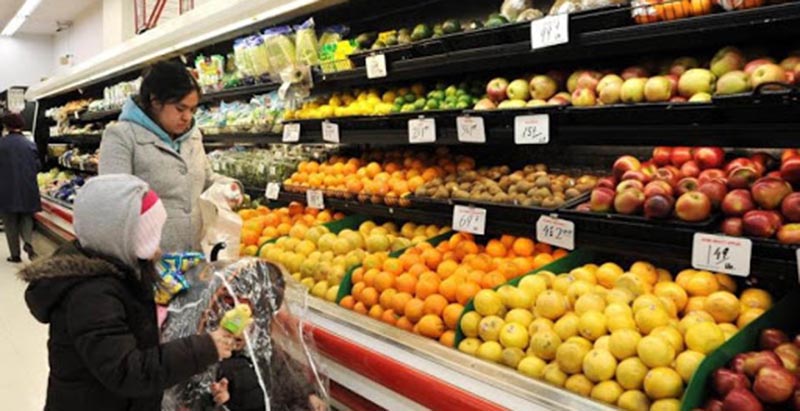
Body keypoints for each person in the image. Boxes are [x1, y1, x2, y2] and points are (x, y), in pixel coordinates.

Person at [18, 174, 237, 411]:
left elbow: (135, 337)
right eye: (151, 234)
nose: (158, 246)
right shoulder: (91, 295)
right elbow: (128, 371)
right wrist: (203, 348)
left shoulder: (118, 269)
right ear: (120, 236)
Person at [99, 60, 235, 253]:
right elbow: (113, 202)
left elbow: (206, 179)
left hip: (196, 254)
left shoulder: (193, 136)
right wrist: (140, 250)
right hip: (150, 257)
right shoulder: (122, 136)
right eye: (180, 108)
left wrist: (230, 187)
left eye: (192, 110)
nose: (187, 117)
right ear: (155, 101)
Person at [0, 112, 40, 263]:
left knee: (9, 222)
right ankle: (28, 242)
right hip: (27, 186)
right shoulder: (30, 144)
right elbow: (37, 165)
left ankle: (15, 255)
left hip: (6, 188)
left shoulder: (1, 144)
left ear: (6, 126)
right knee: (26, 216)